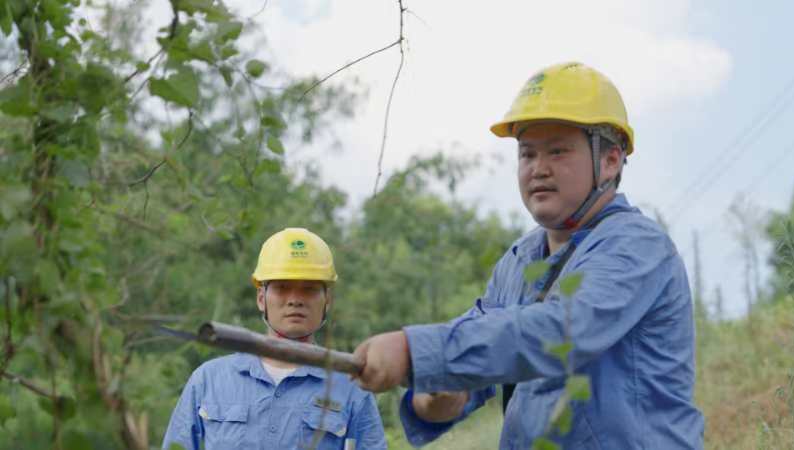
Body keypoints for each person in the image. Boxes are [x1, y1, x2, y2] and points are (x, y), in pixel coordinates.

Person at [352, 62, 705, 449]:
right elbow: (479, 365)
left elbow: (558, 332)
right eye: (527, 154)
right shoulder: (519, 261)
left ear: (610, 160)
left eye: (557, 151)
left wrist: (413, 350)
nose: (539, 169)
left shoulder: (636, 245)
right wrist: (439, 398)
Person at [163, 228, 387, 450]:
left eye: (308, 289)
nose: (295, 300)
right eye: (282, 288)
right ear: (261, 298)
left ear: (326, 300)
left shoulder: (351, 389)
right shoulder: (208, 380)